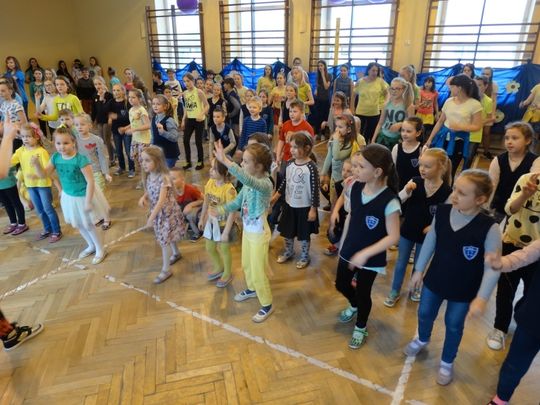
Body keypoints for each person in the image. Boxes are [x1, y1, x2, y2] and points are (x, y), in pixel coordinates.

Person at [404, 169, 501, 386]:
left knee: (454, 325)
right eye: (455, 189)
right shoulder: (443, 212)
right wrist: (418, 270)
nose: (454, 195)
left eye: (462, 193)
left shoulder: (490, 228)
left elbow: (493, 268)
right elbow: (431, 241)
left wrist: (482, 298)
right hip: (435, 280)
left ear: (480, 199)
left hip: (464, 290)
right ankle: (423, 338)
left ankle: (447, 361)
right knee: (424, 313)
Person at [334, 144, 401, 349]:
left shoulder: (390, 201)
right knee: (341, 284)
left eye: (361, 167)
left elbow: (394, 236)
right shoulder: (354, 187)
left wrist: (366, 253)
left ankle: (361, 326)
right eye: (356, 166)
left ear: (377, 172)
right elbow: (351, 216)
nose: (355, 170)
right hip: (349, 249)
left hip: (371, 259)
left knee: (364, 293)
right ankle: (353, 304)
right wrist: (343, 244)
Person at [211, 141, 274, 322]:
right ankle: (252, 289)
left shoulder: (264, 184)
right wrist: (221, 210)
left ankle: (267, 303)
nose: (242, 164)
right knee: (247, 264)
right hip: (248, 231)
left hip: (259, 234)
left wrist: (225, 161)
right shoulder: (248, 184)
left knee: (258, 269)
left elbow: (248, 180)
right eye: (242, 161)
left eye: (245, 162)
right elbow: (238, 202)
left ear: (259, 166)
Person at [384, 148, 452, 307]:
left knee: (420, 265)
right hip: (407, 230)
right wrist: (406, 191)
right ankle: (395, 290)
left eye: (427, 166)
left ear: (441, 167)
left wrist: (433, 227)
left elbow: (446, 216)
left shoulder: (447, 191)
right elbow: (398, 200)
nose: (422, 169)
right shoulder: (415, 181)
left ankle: (414, 288)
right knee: (401, 263)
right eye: (421, 165)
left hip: (427, 236)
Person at [32, 127, 109, 265]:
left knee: (88, 224)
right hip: (69, 196)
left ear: (73, 142)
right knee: (79, 224)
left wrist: (88, 201)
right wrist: (37, 164)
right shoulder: (55, 157)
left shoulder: (81, 159)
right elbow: (44, 174)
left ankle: (100, 249)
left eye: (66, 143)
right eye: (58, 143)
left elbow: (90, 181)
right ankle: (91, 245)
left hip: (83, 195)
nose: (61, 147)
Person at [486, 171, 540, 351]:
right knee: (505, 290)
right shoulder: (527, 179)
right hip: (512, 242)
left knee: (531, 292)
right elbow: (509, 209)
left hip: (536, 252)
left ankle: (520, 311)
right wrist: (525, 195)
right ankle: (500, 327)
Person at [485, 237, 540, 405]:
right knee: (514, 365)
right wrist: (502, 262)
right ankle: (501, 398)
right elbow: (524, 256)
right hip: (532, 319)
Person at [138, 146, 186, 284]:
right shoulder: (150, 176)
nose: (143, 163)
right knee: (168, 236)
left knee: (164, 241)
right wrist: (144, 197)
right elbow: (150, 190)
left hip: (167, 214)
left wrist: (151, 218)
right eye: (142, 160)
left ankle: (166, 270)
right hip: (159, 213)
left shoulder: (164, 178)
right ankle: (176, 253)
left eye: (147, 160)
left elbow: (161, 200)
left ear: (157, 161)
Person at [272, 132, 320, 268]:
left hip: (305, 207)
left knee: (304, 234)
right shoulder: (290, 163)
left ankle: (304, 256)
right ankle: (289, 251)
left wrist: (313, 209)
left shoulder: (311, 167)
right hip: (289, 205)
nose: (291, 150)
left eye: (295, 147)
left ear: (306, 148)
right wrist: (276, 196)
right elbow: (285, 182)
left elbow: (315, 190)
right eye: (291, 146)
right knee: (287, 231)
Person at [11, 123, 62, 242]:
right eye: (23, 137)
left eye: (28, 136)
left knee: (48, 209)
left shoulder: (41, 152)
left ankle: (56, 231)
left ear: (36, 137)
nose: (25, 139)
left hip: (43, 185)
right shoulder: (21, 151)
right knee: (39, 210)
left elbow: (48, 171)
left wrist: (36, 175)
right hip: (30, 186)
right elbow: (10, 162)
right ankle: (47, 229)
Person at [426, 74, 483, 178]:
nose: (450, 89)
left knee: (450, 170)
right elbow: (440, 122)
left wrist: (460, 127)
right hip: (443, 138)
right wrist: (430, 139)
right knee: (438, 167)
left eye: (452, 86)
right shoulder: (449, 101)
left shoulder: (475, 104)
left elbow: (477, 126)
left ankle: (448, 186)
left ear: (459, 88)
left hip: (458, 141)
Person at [489, 121, 539, 223]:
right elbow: (491, 186)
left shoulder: (536, 161)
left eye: (514, 138)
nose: (509, 142)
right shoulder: (498, 160)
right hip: (499, 207)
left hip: (521, 209)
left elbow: (532, 188)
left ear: (528, 140)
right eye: (507, 138)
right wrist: (486, 207)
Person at [198, 158, 238, 286]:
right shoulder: (210, 182)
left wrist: (226, 232)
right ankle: (219, 266)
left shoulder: (229, 189)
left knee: (224, 249)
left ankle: (227, 273)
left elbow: (232, 212)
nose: (210, 170)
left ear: (224, 172)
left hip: (225, 226)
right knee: (209, 247)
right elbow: (206, 201)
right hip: (212, 224)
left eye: (214, 169)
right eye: (211, 167)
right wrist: (202, 217)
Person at [74, 113, 112, 229]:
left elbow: (102, 157)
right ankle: (98, 216)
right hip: (82, 174)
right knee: (90, 197)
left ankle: (106, 218)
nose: (79, 127)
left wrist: (106, 173)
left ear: (90, 125)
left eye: (82, 124)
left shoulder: (97, 140)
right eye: (76, 125)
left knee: (100, 197)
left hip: (96, 172)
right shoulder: (74, 140)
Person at [321, 112, 357, 221]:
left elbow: (337, 156)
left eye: (340, 127)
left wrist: (335, 139)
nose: (337, 129)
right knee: (333, 202)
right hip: (334, 178)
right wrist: (323, 173)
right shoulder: (335, 140)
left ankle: (341, 223)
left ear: (349, 129)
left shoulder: (350, 143)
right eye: (336, 126)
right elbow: (329, 157)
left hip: (344, 179)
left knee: (342, 205)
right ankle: (334, 223)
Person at [373, 77, 414, 149]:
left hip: (398, 138)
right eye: (392, 88)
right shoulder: (387, 104)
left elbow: (411, 124)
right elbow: (380, 123)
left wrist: (401, 124)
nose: (394, 91)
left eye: (397, 89)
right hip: (384, 136)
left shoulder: (408, 105)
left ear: (404, 89)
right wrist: (373, 139)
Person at [463, 75, 494, 170]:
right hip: (462, 133)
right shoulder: (467, 98)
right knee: (456, 158)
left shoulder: (488, 101)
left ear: (486, 86)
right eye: (475, 85)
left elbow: (489, 118)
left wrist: (479, 122)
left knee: (468, 160)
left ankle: (464, 177)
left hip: (475, 135)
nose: (476, 87)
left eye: (479, 85)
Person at [354, 62, 388, 143]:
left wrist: (385, 102)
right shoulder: (360, 81)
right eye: (373, 70)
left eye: (376, 71)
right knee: (359, 134)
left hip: (374, 113)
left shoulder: (380, 81)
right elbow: (353, 95)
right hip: (361, 112)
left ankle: (369, 149)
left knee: (371, 135)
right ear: (368, 70)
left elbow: (387, 93)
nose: (375, 73)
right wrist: (352, 107)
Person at [181, 73, 209, 170]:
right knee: (185, 140)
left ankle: (200, 161)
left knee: (198, 141)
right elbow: (186, 107)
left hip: (199, 120)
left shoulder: (199, 92)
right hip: (189, 119)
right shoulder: (185, 93)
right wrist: (183, 119)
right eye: (184, 81)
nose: (186, 83)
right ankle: (188, 161)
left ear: (193, 81)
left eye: (188, 81)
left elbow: (207, 105)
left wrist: (201, 114)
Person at [276, 100, 314, 167]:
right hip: (286, 158)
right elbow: (281, 141)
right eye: (290, 111)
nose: (291, 114)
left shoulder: (307, 128)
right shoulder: (285, 125)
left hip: (300, 160)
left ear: (302, 112)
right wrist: (278, 156)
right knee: (283, 173)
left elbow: (310, 147)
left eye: (295, 111)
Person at [125, 88, 151, 184]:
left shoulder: (141, 110)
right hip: (135, 139)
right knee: (136, 160)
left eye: (133, 97)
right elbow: (133, 123)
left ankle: (145, 180)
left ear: (139, 99)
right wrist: (126, 128)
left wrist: (134, 130)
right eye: (129, 97)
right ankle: (143, 178)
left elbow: (148, 125)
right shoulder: (131, 109)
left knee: (143, 161)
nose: (130, 99)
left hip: (144, 140)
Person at [170, 167, 203, 241]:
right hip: (182, 211)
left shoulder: (190, 189)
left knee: (189, 215)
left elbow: (204, 199)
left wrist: (191, 205)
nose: (171, 182)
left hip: (193, 211)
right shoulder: (171, 191)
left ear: (182, 179)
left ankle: (198, 232)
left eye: (173, 179)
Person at [108, 84, 134, 177]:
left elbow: (131, 118)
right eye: (114, 90)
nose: (116, 92)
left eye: (118, 90)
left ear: (123, 91)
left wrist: (118, 117)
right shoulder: (111, 102)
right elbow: (106, 111)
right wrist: (109, 117)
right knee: (118, 151)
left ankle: (131, 169)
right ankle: (122, 168)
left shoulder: (128, 103)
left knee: (128, 151)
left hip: (127, 130)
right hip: (116, 131)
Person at [392, 116, 423, 191]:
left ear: (418, 133)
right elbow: (392, 169)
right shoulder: (396, 148)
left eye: (408, 131)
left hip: (416, 188)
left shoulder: (422, 149)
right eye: (403, 130)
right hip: (399, 187)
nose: (404, 134)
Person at [151, 94, 180, 168]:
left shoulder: (169, 120)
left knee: (166, 173)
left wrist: (163, 132)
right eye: (153, 104)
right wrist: (151, 145)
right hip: (159, 153)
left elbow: (175, 137)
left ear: (165, 106)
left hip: (169, 154)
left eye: (158, 104)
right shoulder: (154, 118)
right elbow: (153, 135)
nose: (155, 106)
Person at [92, 76, 115, 166]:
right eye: (95, 84)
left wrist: (102, 100)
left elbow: (109, 109)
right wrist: (92, 120)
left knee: (107, 139)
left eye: (99, 84)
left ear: (103, 84)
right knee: (102, 140)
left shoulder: (109, 95)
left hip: (107, 120)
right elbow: (94, 110)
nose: (98, 86)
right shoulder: (94, 95)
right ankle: (114, 152)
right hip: (99, 121)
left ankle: (112, 159)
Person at [481, 67, 498, 158]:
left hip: (488, 110)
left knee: (486, 133)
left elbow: (494, 100)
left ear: (491, 75)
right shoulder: (478, 82)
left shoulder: (493, 85)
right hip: (478, 110)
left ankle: (486, 151)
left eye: (487, 74)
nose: (485, 75)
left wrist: (493, 114)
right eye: (483, 73)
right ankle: (472, 150)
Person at [311, 60, 332, 136]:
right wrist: (316, 89)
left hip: (325, 99)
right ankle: (317, 133)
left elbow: (326, 87)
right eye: (319, 66)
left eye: (321, 66)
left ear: (325, 66)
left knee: (324, 116)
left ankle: (323, 132)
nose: (320, 67)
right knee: (317, 116)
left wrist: (323, 74)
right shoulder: (318, 75)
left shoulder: (329, 75)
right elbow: (318, 85)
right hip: (318, 99)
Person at [416, 76, 439, 143]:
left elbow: (435, 103)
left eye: (429, 82)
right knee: (419, 128)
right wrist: (423, 103)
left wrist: (437, 114)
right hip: (420, 113)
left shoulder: (435, 93)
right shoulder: (421, 91)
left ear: (433, 83)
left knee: (426, 130)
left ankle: (425, 143)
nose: (427, 84)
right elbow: (418, 103)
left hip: (429, 114)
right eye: (425, 82)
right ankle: (418, 141)